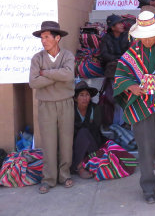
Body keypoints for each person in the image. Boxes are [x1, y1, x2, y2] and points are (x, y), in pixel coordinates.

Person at [113, 11, 155, 204]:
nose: (147, 39)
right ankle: (148, 187)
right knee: (146, 149)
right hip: (141, 108)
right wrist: (130, 86)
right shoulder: (129, 56)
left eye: (150, 35)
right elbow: (120, 78)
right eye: (143, 35)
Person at [29, 21, 75, 194]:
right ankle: (49, 179)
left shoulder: (68, 56)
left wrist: (46, 73)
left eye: (47, 37)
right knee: (48, 142)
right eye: (42, 37)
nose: (43, 41)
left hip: (66, 103)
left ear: (57, 38)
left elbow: (69, 74)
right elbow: (33, 82)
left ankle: (65, 175)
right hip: (46, 104)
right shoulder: (37, 58)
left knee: (66, 141)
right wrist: (59, 75)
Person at [71, 81, 105, 180]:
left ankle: (87, 164)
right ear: (75, 98)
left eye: (87, 95)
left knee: (84, 132)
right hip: (75, 145)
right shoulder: (71, 110)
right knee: (81, 133)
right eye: (81, 95)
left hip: (92, 142)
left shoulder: (95, 109)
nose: (85, 98)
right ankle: (79, 167)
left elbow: (96, 130)